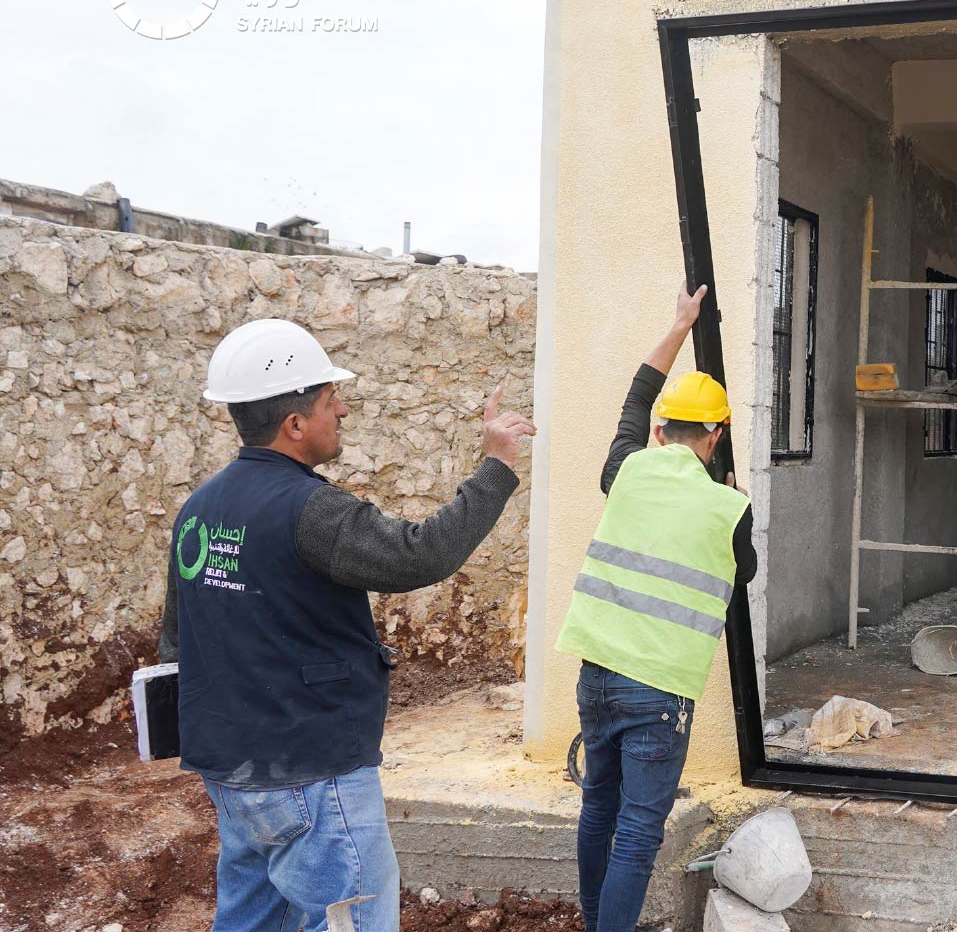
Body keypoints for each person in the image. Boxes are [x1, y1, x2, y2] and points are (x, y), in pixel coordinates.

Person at [159, 317, 534, 932]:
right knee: (349, 919)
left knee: (251, 922)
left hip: (230, 770)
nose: (345, 413)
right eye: (333, 402)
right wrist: (496, 466)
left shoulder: (200, 510)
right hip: (311, 774)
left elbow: (178, 639)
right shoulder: (310, 510)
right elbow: (420, 554)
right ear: (295, 423)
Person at [555, 283, 756, 932]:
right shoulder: (729, 507)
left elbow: (634, 399)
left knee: (599, 810)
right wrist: (731, 500)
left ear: (661, 430)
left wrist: (678, 325)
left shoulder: (626, 471)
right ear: (717, 434)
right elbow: (743, 573)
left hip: (597, 674)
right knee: (638, 834)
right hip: (658, 693)